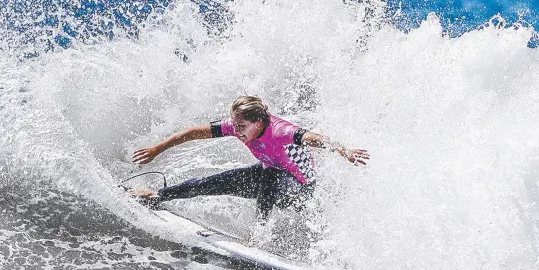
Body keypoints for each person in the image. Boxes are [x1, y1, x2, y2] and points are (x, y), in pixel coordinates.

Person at [131, 96, 369, 222]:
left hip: (301, 192)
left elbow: (314, 138)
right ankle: (157, 196)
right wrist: (157, 149)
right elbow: (194, 132)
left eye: (242, 126)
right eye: (235, 125)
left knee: (270, 174)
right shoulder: (239, 126)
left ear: (258, 122)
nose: (237, 131)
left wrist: (343, 150)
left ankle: (259, 234)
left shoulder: (280, 131)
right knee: (211, 182)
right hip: (271, 181)